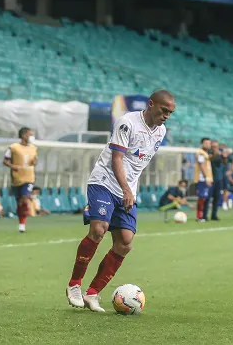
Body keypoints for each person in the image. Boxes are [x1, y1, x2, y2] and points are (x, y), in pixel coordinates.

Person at [66, 90, 175, 312]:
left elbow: (137, 164)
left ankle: (92, 293)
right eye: (164, 110)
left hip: (127, 191)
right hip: (104, 182)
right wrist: (126, 188)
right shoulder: (128, 122)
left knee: (125, 243)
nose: (166, 116)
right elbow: (117, 158)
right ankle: (74, 285)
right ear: (151, 104)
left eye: (170, 113)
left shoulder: (160, 132)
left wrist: (130, 190)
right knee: (98, 230)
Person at [3, 127, 37, 232]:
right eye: (30, 134)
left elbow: (34, 160)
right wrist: (12, 166)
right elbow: (5, 160)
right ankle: (21, 224)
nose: (32, 137)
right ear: (23, 135)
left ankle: (23, 223)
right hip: (17, 178)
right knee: (20, 201)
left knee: (25, 197)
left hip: (29, 177)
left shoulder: (34, 148)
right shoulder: (13, 147)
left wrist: (34, 162)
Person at [208, 140, 228, 221]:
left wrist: (225, 157)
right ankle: (203, 215)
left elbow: (224, 163)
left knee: (217, 197)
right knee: (207, 197)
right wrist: (217, 153)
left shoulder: (220, 154)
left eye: (215, 146)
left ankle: (214, 214)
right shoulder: (209, 153)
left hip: (219, 178)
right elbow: (209, 159)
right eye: (213, 146)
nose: (214, 148)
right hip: (210, 177)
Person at [195, 137, 213, 222]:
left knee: (204, 198)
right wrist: (207, 178)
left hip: (206, 178)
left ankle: (201, 216)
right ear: (202, 143)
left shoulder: (205, 153)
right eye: (206, 143)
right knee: (201, 198)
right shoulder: (201, 153)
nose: (208, 145)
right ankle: (199, 216)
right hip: (202, 179)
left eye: (209, 143)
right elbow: (201, 165)